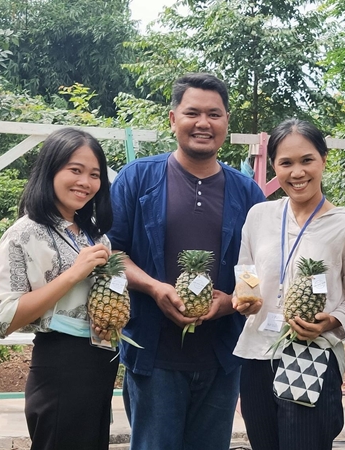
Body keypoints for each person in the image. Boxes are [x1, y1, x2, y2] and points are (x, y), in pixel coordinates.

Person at [107, 73, 266, 450]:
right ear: (173, 118)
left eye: (214, 114)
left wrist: (231, 301)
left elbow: (260, 266)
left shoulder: (248, 193)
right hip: (153, 355)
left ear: (226, 121)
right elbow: (110, 253)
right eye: (192, 113)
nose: (203, 123)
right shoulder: (137, 179)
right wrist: (154, 288)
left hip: (221, 358)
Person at [232, 118, 345, 450]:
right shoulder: (259, 216)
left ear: (323, 159)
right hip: (257, 355)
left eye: (307, 160)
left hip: (312, 356)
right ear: (274, 167)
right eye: (286, 163)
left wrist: (331, 321)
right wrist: (244, 299)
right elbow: (246, 275)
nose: (297, 172)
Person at [0, 128, 117, 450]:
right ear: (50, 170)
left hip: (100, 362)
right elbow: (1, 318)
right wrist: (73, 275)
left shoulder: (95, 236)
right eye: (75, 170)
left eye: (94, 175)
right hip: (61, 364)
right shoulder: (25, 233)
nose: (85, 182)